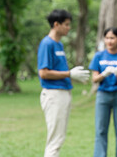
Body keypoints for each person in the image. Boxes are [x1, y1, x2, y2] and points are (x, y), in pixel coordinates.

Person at [37, 9, 90, 157]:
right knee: (55, 140)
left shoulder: (58, 45)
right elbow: (43, 72)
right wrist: (69, 73)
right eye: (66, 24)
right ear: (56, 24)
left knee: (59, 138)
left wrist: (73, 76)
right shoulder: (47, 44)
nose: (69, 28)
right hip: (54, 94)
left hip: (63, 93)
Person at [89, 27, 117, 157]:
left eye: (112, 38)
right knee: (101, 130)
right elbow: (95, 79)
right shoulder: (98, 56)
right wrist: (105, 73)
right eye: (107, 38)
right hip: (103, 96)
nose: (109, 41)